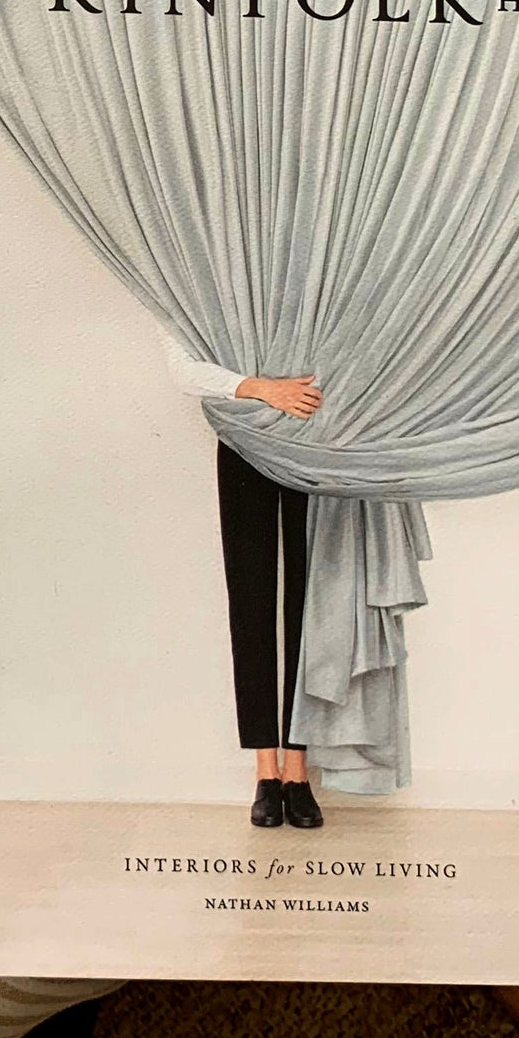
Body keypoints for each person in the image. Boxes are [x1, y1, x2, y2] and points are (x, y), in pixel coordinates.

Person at [164, 337, 326, 831]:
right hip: (243, 438)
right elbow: (182, 367)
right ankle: (265, 772)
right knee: (251, 599)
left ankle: (297, 770)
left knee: (311, 601)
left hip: (315, 437)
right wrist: (261, 388)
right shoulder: (200, 288)